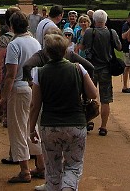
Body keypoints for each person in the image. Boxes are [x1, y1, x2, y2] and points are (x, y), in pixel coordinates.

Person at [30, 32, 99, 191]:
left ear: (46, 52)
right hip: (75, 124)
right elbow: (93, 94)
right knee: (73, 166)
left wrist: (31, 127)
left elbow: (35, 105)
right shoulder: (77, 68)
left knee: (52, 165)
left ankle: (52, 187)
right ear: (65, 50)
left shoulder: (39, 72)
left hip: (50, 125)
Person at [0, 11, 45, 183]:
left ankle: (24, 170)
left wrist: (3, 98)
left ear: (11, 26)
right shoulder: (35, 43)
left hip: (19, 88)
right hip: (33, 88)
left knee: (18, 130)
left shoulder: (14, 44)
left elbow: (11, 74)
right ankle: (40, 165)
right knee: (32, 127)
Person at [81, 9, 121, 136]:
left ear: (94, 20)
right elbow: (119, 47)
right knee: (105, 99)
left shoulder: (88, 32)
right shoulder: (111, 32)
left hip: (90, 68)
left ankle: (87, 121)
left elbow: (83, 46)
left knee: (87, 97)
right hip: (106, 68)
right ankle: (103, 126)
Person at [0, 6, 20, 127]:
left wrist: (0, 82)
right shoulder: (29, 37)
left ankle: (5, 116)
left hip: (9, 74)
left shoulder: (5, 39)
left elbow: (2, 63)